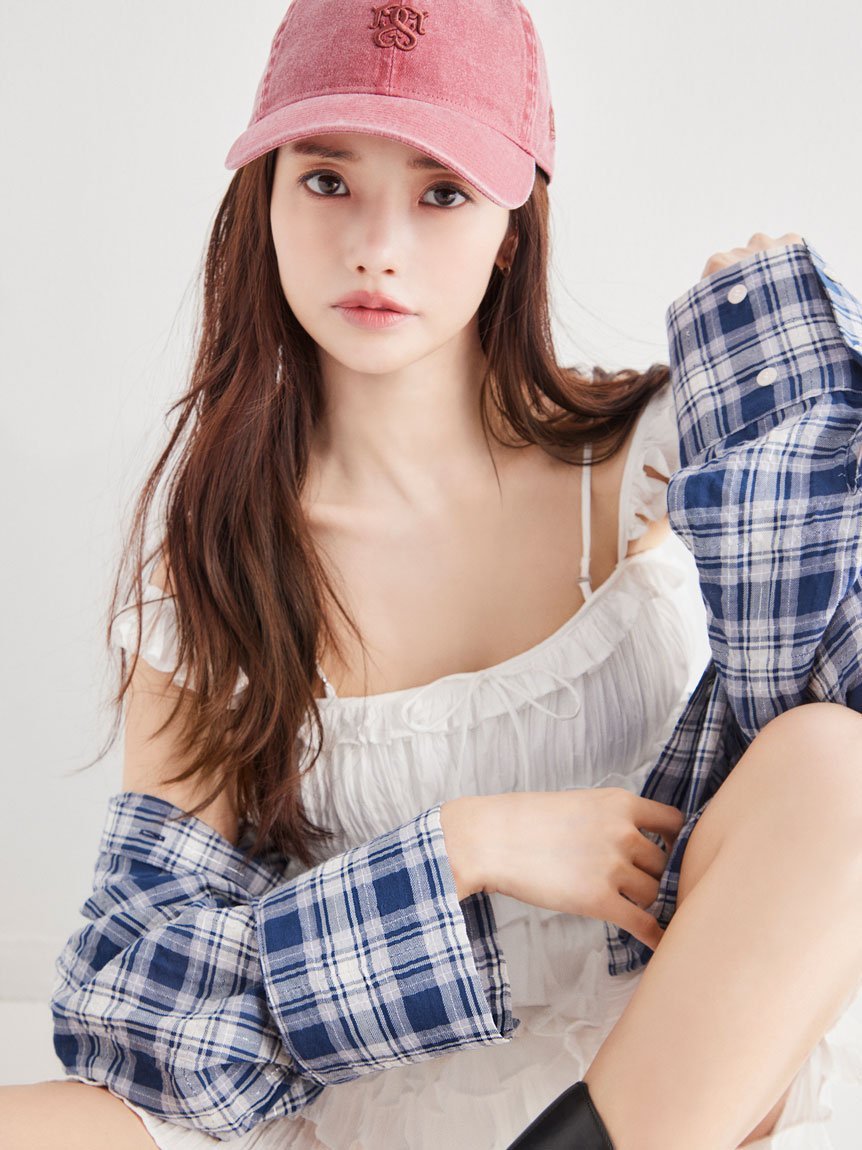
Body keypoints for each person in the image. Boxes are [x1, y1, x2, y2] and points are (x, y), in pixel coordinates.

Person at [2, 2, 860, 1149]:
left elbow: (835, 694)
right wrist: (463, 846)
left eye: (442, 191)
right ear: (264, 197)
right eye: (326, 180)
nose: (377, 244)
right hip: (370, 1100)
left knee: (835, 761)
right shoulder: (216, 555)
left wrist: (779, 360)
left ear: (510, 228)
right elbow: (138, 1012)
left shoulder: (639, 464)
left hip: (665, 1080)